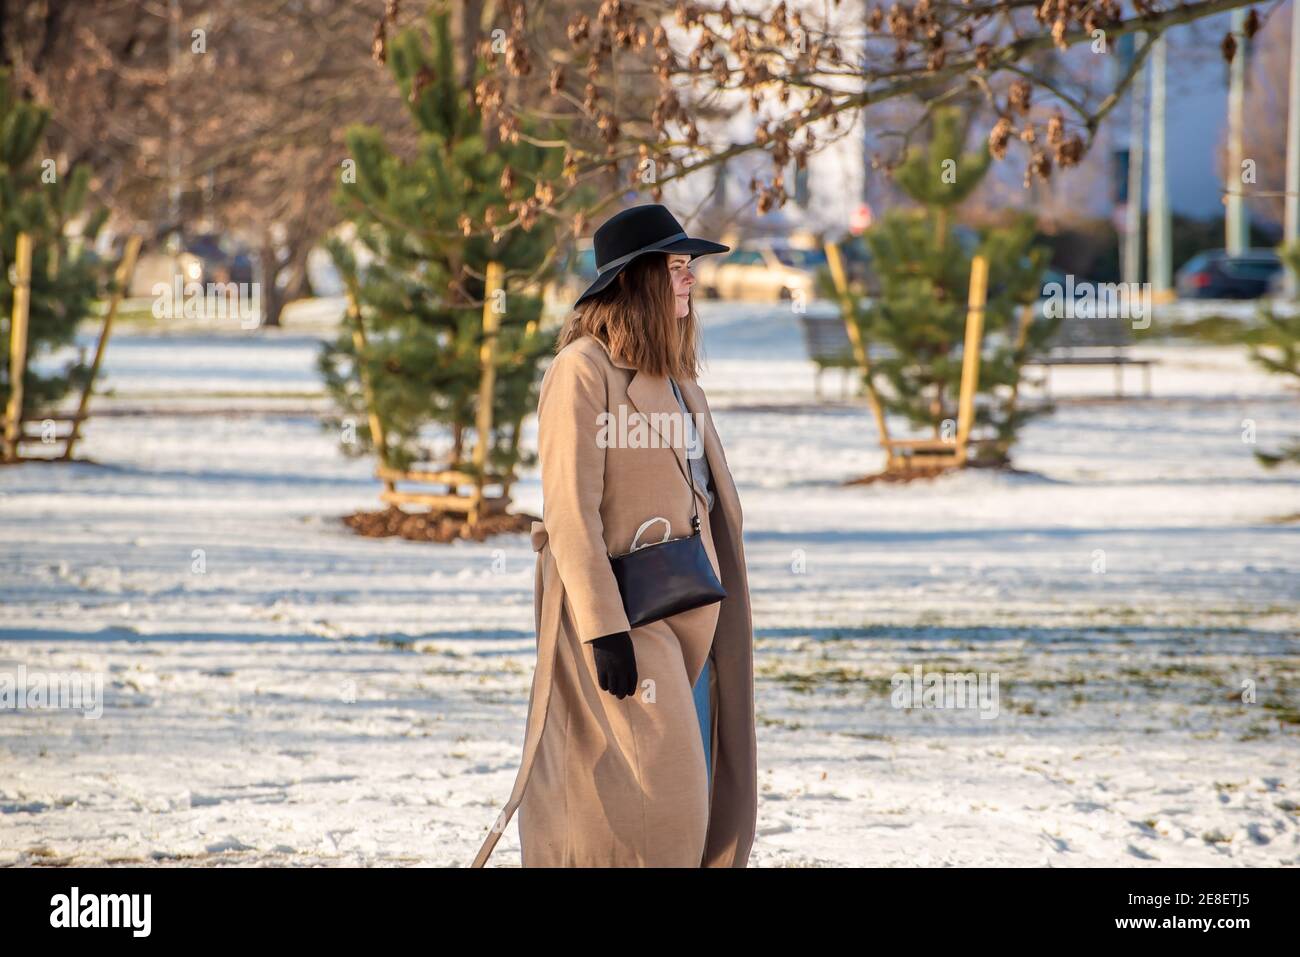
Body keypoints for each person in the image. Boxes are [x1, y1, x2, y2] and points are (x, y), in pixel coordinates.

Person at [470, 203, 757, 868]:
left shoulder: (681, 377)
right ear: (636, 280)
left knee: (701, 790)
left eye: (691, 268)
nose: (690, 281)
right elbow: (570, 509)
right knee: (645, 802)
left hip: (697, 612)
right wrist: (603, 629)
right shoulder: (582, 369)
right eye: (677, 267)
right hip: (626, 618)